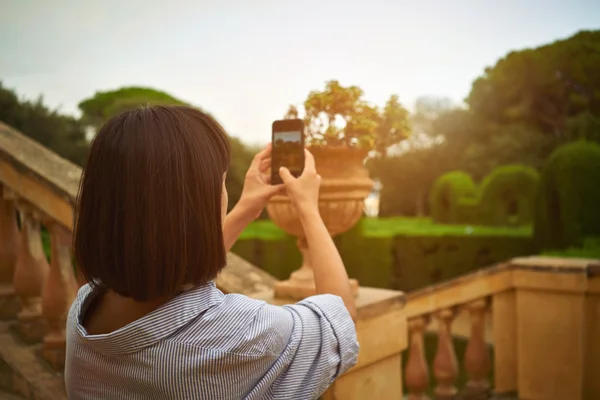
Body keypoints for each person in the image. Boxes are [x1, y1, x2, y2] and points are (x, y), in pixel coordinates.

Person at [65, 105, 358, 400]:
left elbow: (173, 264)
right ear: (199, 205)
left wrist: (244, 210)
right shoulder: (239, 334)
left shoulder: (84, 313)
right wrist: (309, 208)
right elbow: (339, 319)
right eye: (220, 184)